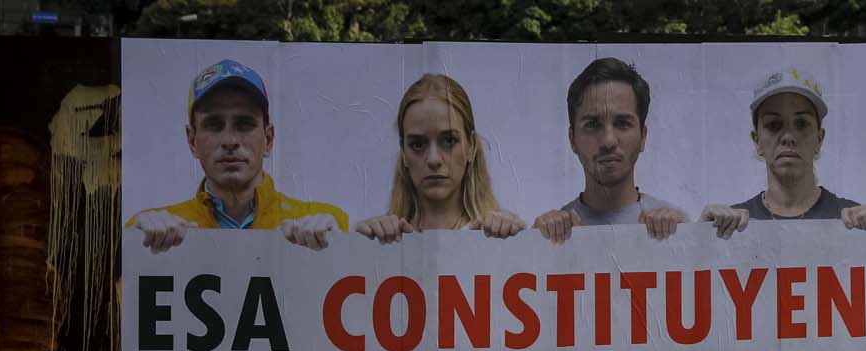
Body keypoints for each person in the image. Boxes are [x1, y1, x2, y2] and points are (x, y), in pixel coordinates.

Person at [127, 59, 349, 254]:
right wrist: (131, 250)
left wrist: (339, 249)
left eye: (245, 124)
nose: (230, 140)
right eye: (214, 125)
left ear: (268, 139)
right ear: (192, 141)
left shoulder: (326, 221)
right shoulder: (148, 231)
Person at [701, 69, 866, 238]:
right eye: (774, 124)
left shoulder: (855, 222)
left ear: (819, 139)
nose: (788, 137)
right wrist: (700, 238)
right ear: (757, 141)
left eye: (801, 124)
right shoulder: (729, 228)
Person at [355, 74, 526, 244]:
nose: (433, 159)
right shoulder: (376, 241)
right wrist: (351, 246)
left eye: (449, 141)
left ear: (471, 146)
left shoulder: (504, 236)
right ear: (404, 151)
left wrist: (525, 240)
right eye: (417, 144)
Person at [533, 58, 688, 244]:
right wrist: (532, 246)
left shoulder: (681, 227)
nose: (608, 141)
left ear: (643, 136)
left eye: (622, 123)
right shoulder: (546, 236)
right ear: (572, 139)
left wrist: (716, 231)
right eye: (592, 124)